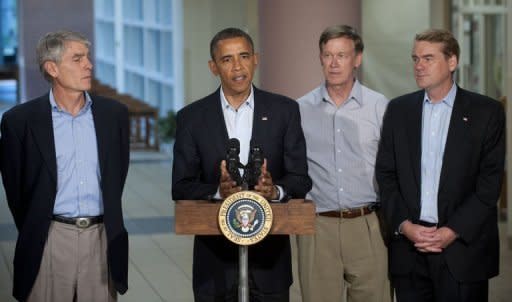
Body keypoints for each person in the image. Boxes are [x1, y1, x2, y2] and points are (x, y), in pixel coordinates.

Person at [172, 27, 312, 302]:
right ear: (214, 67)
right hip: (215, 262)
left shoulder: (284, 111)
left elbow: (301, 179)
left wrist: (275, 191)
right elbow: (180, 186)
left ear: (255, 59)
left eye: (244, 56)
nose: (238, 66)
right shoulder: (192, 118)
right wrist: (217, 192)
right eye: (227, 59)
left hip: (270, 262)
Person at [0, 30, 130, 302]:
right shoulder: (19, 121)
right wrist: (39, 226)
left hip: (101, 238)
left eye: (88, 58)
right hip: (49, 239)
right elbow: (16, 190)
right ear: (52, 68)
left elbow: (117, 176)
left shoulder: (114, 115)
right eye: (77, 59)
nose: (89, 65)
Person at [375, 29, 505, 302]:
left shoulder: (487, 112)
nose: (419, 66)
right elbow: (386, 175)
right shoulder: (399, 110)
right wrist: (404, 226)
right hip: (409, 251)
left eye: (428, 58)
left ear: (452, 62)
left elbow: (489, 185)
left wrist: (451, 230)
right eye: (415, 58)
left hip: (461, 250)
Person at [296, 25, 391, 302]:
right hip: (317, 225)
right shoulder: (300, 109)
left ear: (357, 59)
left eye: (342, 55)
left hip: (368, 225)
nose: (334, 63)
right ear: (320, 59)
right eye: (328, 55)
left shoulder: (379, 106)